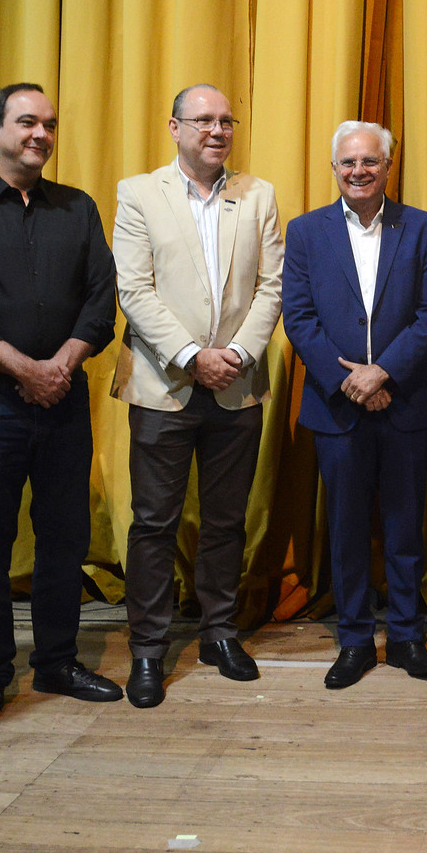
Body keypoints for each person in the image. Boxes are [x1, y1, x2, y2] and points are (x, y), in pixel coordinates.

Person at [0, 84, 122, 734]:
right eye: (27, 122)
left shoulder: (77, 208)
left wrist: (61, 365)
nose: (41, 134)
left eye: (50, 124)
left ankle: (57, 662)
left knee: (65, 537)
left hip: (63, 401)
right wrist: (26, 370)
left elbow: (101, 298)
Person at [111, 84, 284, 706]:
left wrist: (234, 356)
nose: (217, 130)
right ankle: (148, 649)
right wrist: (192, 356)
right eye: (203, 120)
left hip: (236, 384)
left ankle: (219, 633)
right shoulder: (138, 193)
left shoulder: (258, 194)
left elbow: (271, 287)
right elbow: (134, 290)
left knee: (226, 522)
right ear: (174, 127)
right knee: (154, 523)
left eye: (226, 121)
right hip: (164, 385)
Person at [281, 121, 427, 689]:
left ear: (388, 167)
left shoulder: (423, 227)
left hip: (405, 401)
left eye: (370, 161)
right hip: (337, 407)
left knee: (405, 528)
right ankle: (354, 640)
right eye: (349, 162)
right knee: (346, 529)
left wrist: (384, 373)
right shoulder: (306, 232)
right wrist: (349, 380)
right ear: (334, 168)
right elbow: (299, 316)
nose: (359, 171)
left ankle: (405, 638)